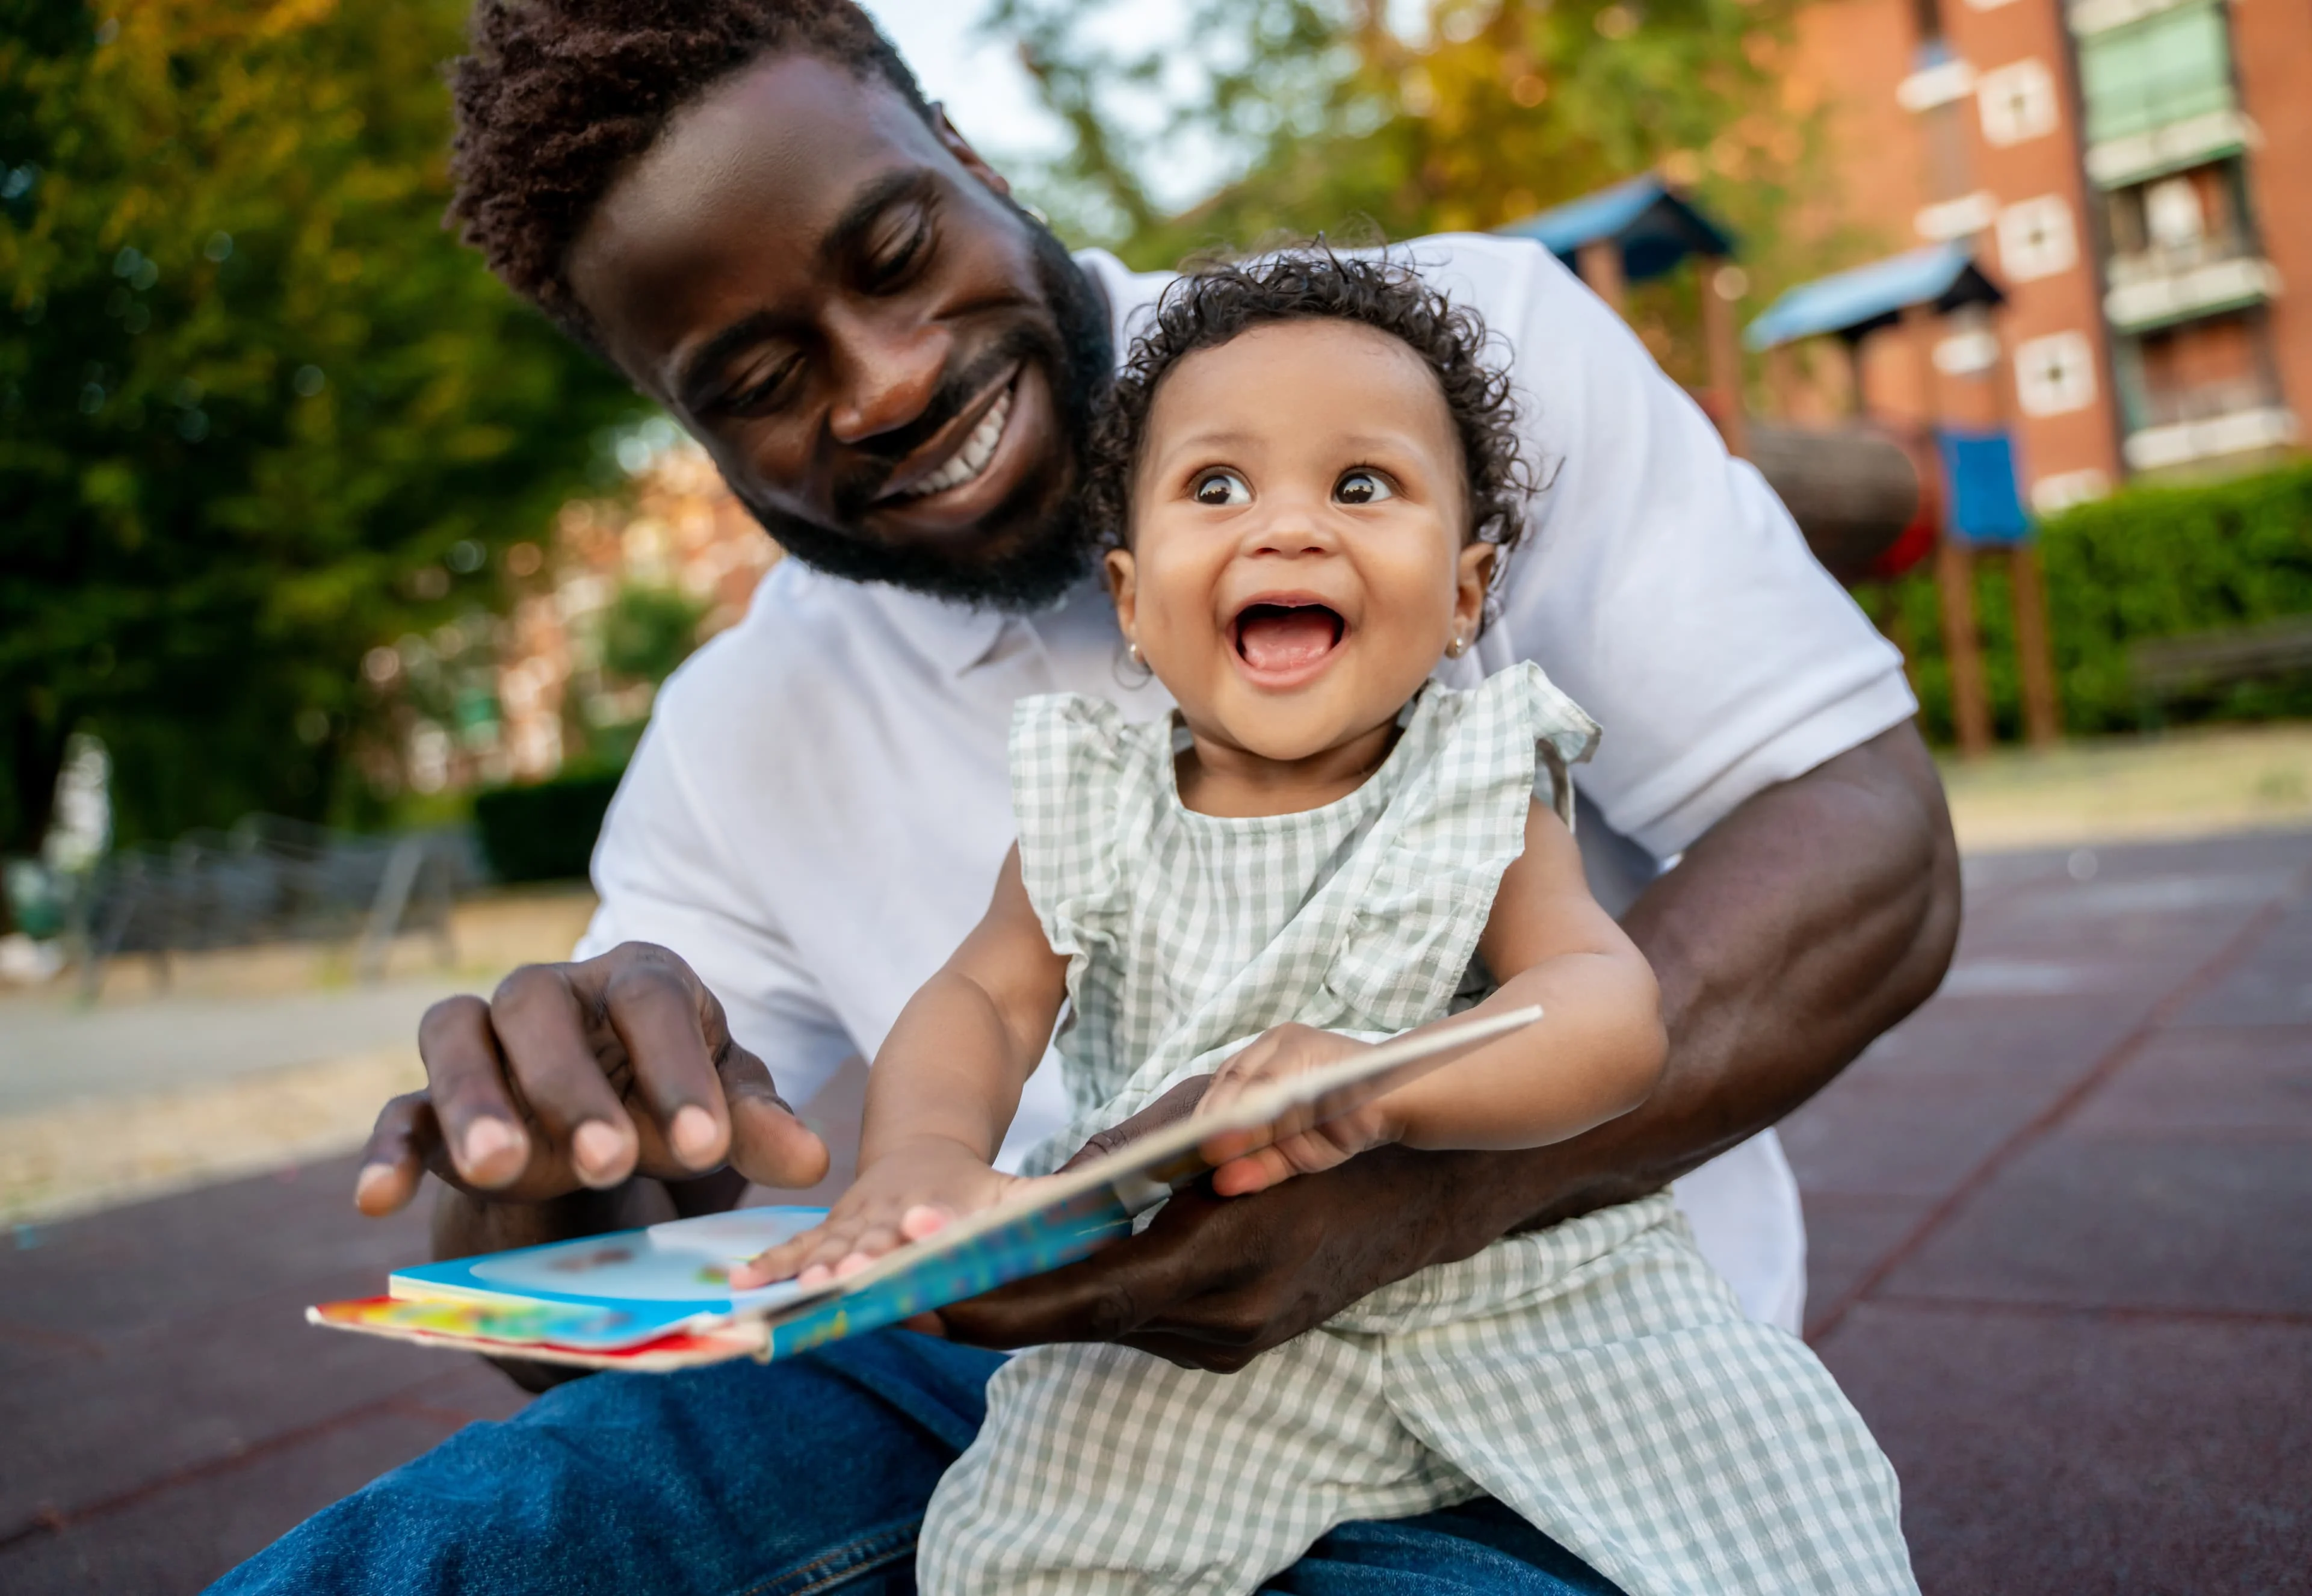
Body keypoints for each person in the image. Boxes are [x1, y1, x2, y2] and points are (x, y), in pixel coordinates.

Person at [212, 1, 1962, 1591]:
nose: (884, 379)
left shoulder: (1448, 384)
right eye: (753, 383)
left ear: (968, 157)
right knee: (465, 1543)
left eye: (896, 251)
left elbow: (1852, 848)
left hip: (1534, 1405)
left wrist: (1404, 1158)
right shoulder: (782, 732)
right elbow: (933, 1035)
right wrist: (550, 1166)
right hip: (1048, 1401)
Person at [737, 249, 1917, 1596]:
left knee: (1787, 1519)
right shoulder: (1088, 800)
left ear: (1465, 592)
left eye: (1361, 486)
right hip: (1196, 1334)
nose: (1285, 528)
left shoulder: (1477, 776)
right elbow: (985, 1002)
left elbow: (1607, 1011)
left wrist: (1389, 1089)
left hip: (1537, 1297)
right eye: (1216, 487)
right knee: (1011, 1559)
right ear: (1130, 600)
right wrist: (923, 1159)